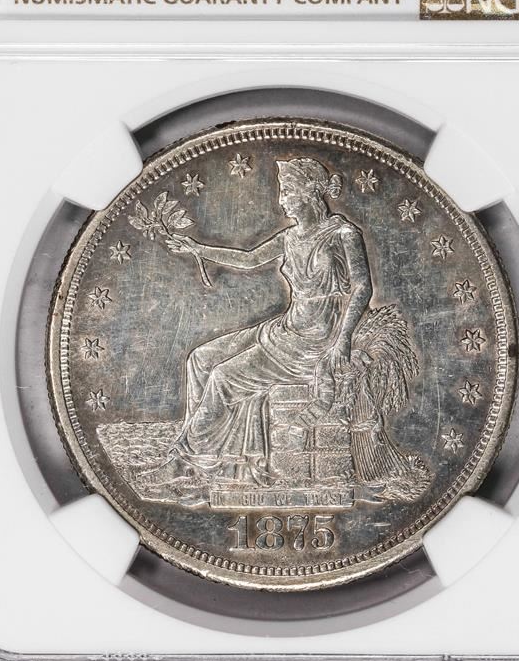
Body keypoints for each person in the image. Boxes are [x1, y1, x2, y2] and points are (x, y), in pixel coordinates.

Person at [157, 157, 373, 486]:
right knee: (200, 359)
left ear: (310, 192)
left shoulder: (344, 234)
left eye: (287, 191)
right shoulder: (290, 237)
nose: (282, 201)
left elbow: (362, 288)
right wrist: (198, 249)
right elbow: (249, 259)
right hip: (285, 330)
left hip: (315, 341)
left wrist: (342, 341)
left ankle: (188, 460)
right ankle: (217, 460)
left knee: (223, 377)